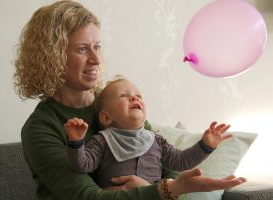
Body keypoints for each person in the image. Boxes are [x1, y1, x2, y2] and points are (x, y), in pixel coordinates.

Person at [13, 1, 246, 200]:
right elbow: (88, 197)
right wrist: (163, 190)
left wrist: (162, 187)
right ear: (52, 56)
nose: (96, 59)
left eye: (97, 47)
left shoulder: (116, 102)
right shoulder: (40, 128)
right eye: (82, 49)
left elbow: (167, 164)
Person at [64, 78, 232, 188]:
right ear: (106, 117)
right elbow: (82, 165)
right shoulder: (102, 141)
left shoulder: (157, 141)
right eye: (124, 96)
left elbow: (182, 161)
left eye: (138, 96)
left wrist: (206, 145)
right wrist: (76, 142)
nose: (135, 99)